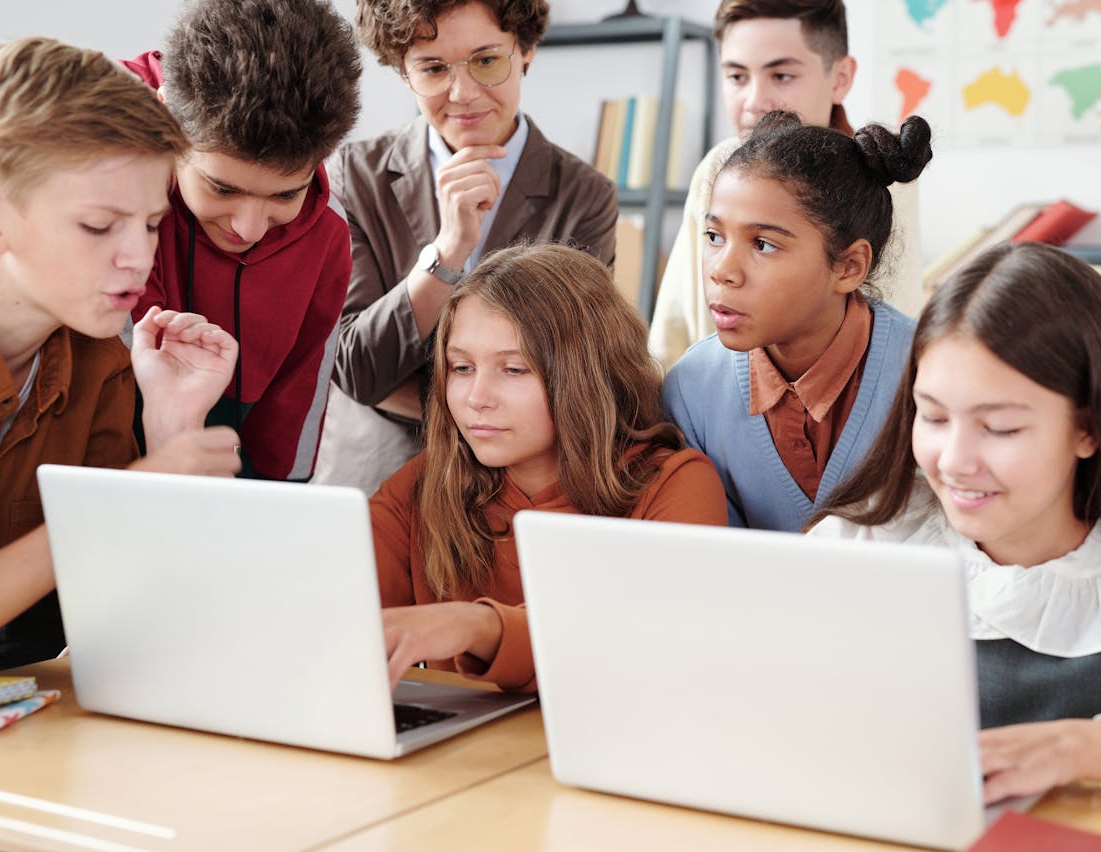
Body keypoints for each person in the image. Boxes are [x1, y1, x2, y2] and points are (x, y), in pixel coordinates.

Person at [808, 242, 1101, 809]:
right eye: (935, 416)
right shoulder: (870, 539)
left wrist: (1087, 745)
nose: (954, 460)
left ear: (1088, 429)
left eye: (1000, 428)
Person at [0, 38, 242, 672]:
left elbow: (135, 610)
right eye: (99, 225)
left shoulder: (102, 360)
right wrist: (112, 506)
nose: (138, 258)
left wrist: (171, 426)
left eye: (151, 223)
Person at [372, 244, 727, 690]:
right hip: (457, 758)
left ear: (586, 374)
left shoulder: (675, 484)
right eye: (461, 367)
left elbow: (644, 648)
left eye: (514, 370)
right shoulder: (425, 484)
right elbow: (337, 608)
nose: (477, 396)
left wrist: (478, 626)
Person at [314, 0, 618, 496]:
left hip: (520, 485)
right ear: (403, 73)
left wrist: (407, 390)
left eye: (487, 61)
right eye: (433, 68)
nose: (463, 93)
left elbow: (572, 376)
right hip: (375, 474)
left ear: (526, 52)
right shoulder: (352, 176)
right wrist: (447, 253)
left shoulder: (584, 196)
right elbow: (357, 369)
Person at [123, 0, 363, 481]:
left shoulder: (328, 233)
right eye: (223, 188)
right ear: (168, 116)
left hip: (232, 473)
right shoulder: (109, 178)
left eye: (285, 194)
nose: (248, 228)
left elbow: (292, 414)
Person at [661, 112, 930, 531]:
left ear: (849, 267)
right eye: (714, 237)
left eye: (763, 244)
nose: (722, 271)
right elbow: (709, 563)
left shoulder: (928, 374)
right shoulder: (691, 391)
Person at [648, 0, 924, 374]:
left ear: (840, 78)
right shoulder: (719, 165)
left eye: (781, 76)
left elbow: (894, 338)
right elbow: (673, 333)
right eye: (737, 77)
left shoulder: (882, 178)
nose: (755, 102)